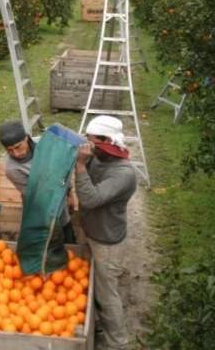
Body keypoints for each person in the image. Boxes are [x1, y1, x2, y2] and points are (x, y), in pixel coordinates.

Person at [74, 115, 137, 350]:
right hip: (91, 230)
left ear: (108, 141)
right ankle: (96, 324)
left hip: (107, 242)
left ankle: (117, 343)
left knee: (106, 294)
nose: (89, 147)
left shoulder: (124, 173)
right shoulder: (99, 156)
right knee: (92, 285)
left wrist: (80, 165)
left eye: (93, 142)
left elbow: (90, 198)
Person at [0, 120, 77, 243]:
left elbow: (62, 170)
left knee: (69, 240)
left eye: (18, 147)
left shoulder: (45, 145)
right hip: (40, 209)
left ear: (26, 138)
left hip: (60, 202)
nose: (16, 153)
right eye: (10, 150)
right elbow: (36, 195)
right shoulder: (12, 169)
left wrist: (70, 193)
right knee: (50, 243)